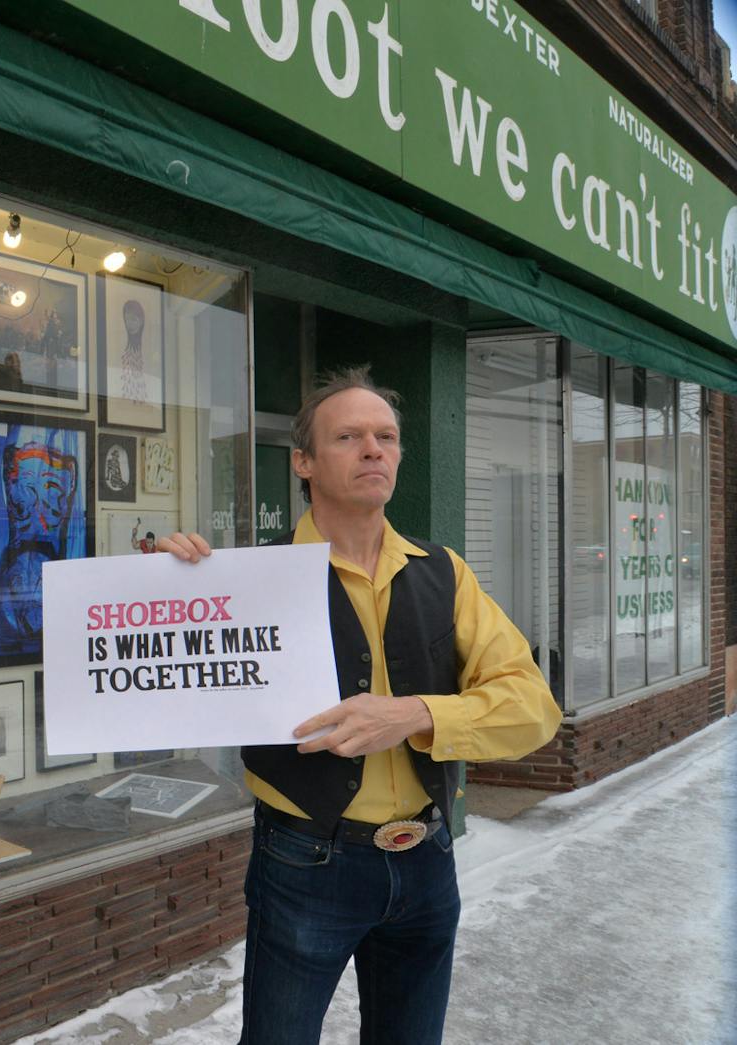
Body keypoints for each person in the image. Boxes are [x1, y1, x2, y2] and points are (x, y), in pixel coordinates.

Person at [159, 366, 560, 1045]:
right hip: (306, 861)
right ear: (305, 461)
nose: (374, 448)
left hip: (428, 858)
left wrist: (416, 715)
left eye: (387, 436)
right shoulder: (249, 576)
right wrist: (163, 578)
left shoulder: (444, 571)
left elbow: (533, 706)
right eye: (348, 436)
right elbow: (155, 664)